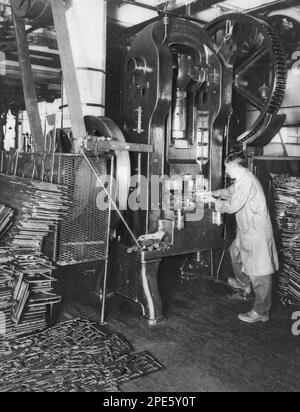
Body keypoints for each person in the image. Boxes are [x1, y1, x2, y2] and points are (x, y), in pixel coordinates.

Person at [204, 151, 279, 323]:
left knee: (261, 272)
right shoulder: (240, 180)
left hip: (257, 232)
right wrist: (211, 193)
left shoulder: (247, 182)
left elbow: (232, 206)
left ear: (235, 166)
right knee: (234, 251)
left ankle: (261, 311)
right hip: (246, 229)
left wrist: (213, 202)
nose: (226, 171)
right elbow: (228, 192)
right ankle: (244, 283)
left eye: (227, 167)